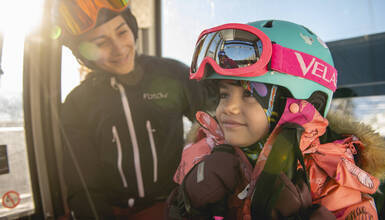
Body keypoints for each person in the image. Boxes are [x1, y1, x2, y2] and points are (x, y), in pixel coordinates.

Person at [166, 20, 385, 219]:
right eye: (224, 95)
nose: (228, 108)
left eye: (249, 94)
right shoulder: (206, 150)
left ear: (304, 104)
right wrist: (187, 205)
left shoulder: (330, 173)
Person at [57, 0, 213, 219]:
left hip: (177, 208)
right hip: (116, 212)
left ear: (131, 27)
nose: (119, 49)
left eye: (122, 33)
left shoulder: (171, 74)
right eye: (101, 43)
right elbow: (83, 188)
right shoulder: (78, 104)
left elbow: (219, 116)